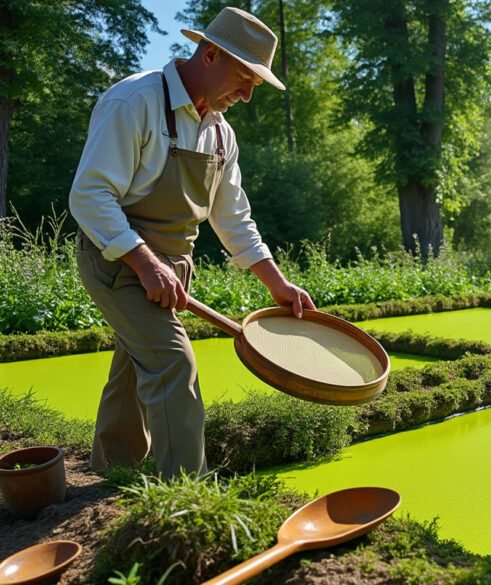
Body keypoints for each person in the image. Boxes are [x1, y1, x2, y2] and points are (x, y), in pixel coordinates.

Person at [68, 7, 315, 478]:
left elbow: (234, 218)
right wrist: (145, 263)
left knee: (136, 361)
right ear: (210, 54)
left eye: (254, 86)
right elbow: (90, 195)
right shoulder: (134, 101)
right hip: (116, 261)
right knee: (172, 364)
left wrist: (277, 285)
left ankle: (111, 473)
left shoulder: (220, 134)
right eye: (243, 78)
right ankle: (187, 494)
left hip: (171, 271)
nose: (245, 95)